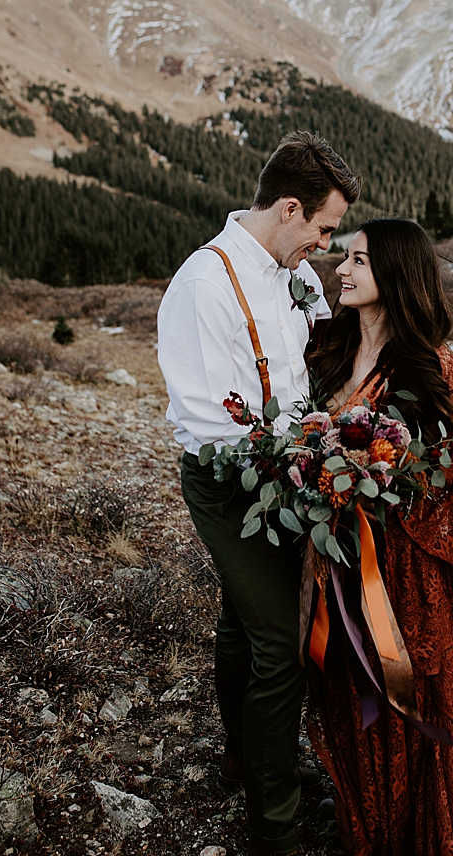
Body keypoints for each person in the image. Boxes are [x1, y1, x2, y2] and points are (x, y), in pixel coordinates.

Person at [158, 131, 357, 855]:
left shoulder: (291, 268)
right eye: (324, 229)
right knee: (281, 643)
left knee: (244, 625)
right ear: (289, 208)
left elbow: (311, 361)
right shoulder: (205, 286)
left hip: (288, 473)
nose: (326, 247)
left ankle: (247, 758)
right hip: (227, 482)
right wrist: (307, 455)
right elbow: (214, 424)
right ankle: (273, 826)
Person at [302, 217, 453, 854]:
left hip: (400, 566)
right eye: (346, 258)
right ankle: (366, 822)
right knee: (345, 689)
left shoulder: (430, 362)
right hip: (331, 554)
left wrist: (378, 481)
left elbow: (449, 475)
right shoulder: (327, 348)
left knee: (400, 693)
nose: (342, 268)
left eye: (358, 261)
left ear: (393, 276)